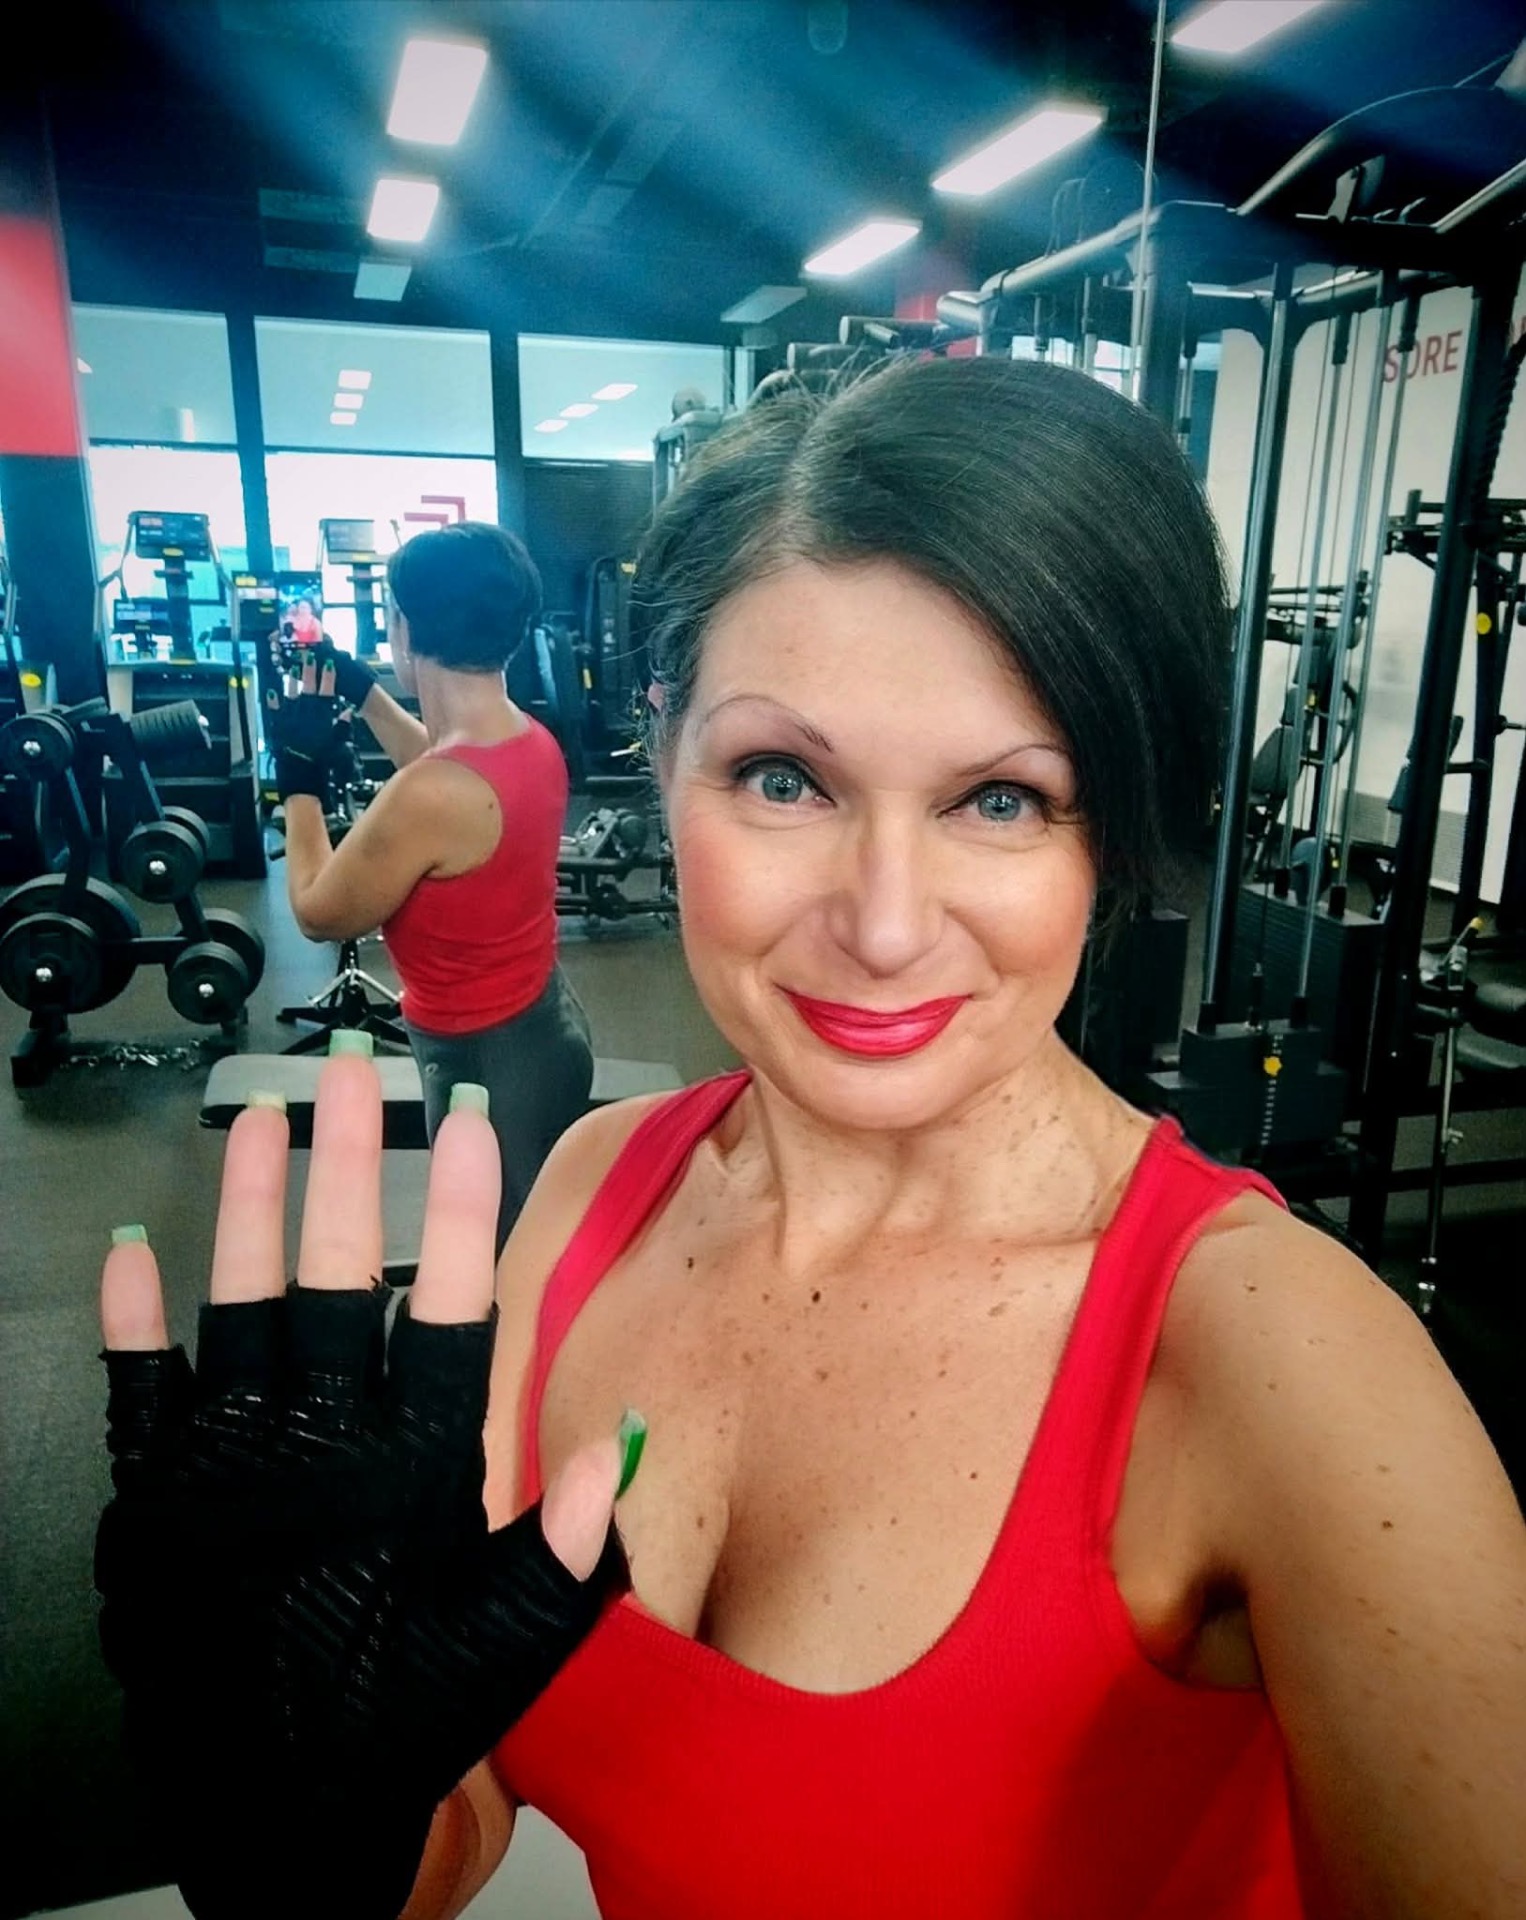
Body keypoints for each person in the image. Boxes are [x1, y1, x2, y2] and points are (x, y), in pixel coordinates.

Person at [101, 357, 1525, 1919]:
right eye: (783, 779)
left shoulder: (1288, 1364)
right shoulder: (592, 1188)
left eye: (1001, 800)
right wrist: (297, 1833)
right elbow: (450, 1816)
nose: (885, 926)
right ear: (664, 754)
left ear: (1106, 835)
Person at [270, 520, 595, 1256]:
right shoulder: (527, 741)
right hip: (548, 1031)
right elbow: (441, 765)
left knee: (488, 1271)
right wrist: (365, 693)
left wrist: (298, 783)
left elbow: (319, 911)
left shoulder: (430, 796)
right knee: (519, 1245)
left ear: (404, 627)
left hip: (484, 1071)